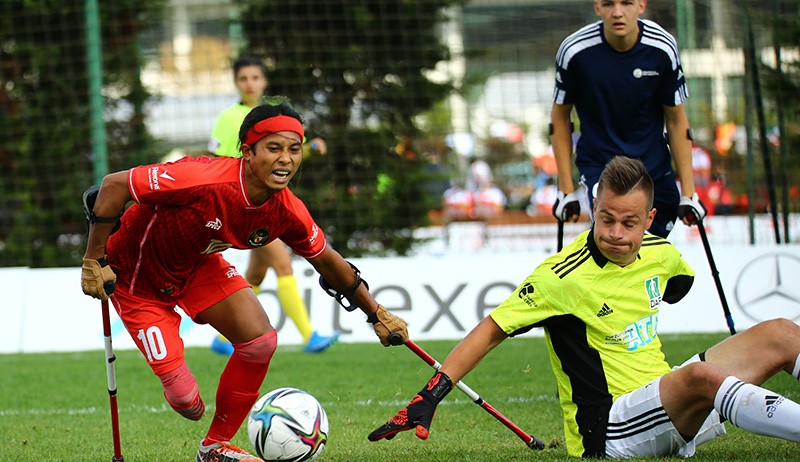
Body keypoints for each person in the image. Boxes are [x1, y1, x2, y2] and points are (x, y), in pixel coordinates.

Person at [369, 156, 800, 458]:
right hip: (609, 431)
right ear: (594, 208)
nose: (614, 232)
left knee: (781, 331)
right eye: (605, 218)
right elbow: (491, 329)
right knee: (702, 376)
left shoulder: (662, 253)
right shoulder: (560, 277)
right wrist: (430, 396)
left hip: (669, 406)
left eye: (629, 223)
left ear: (649, 220)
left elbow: (677, 283)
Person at [81, 99, 409, 462]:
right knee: (187, 403)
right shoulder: (202, 178)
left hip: (197, 266)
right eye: (274, 148)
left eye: (294, 149)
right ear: (247, 151)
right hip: (135, 277)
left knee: (260, 341)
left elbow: (328, 263)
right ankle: (184, 395)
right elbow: (113, 186)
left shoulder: (287, 210)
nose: (285, 159)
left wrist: (376, 313)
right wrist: (95, 259)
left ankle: (214, 448)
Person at [208, 55, 337, 355]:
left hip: (269, 202)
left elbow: (277, 150)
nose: (249, 84)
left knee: (255, 276)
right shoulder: (228, 118)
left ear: (264, 81)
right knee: (282, 263)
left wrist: (309, 147)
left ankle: (223, 339)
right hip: (244, 204)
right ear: (236, 82)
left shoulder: (272, 117)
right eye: (243, 79)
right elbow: (216, 160)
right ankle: (309, 336)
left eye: (255, 78)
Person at [550, 0, 706, 237]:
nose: (618, 13)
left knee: (652, 253)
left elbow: (676, 121)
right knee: (616, 239)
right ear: (597, 7)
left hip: (653, 168)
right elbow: (560, 118)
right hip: (601, 167)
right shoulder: (574, 51)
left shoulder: (663, 48)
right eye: (609, 4)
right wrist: (565, 190)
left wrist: (688, 192)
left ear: (642, 5)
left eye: (627, 3)